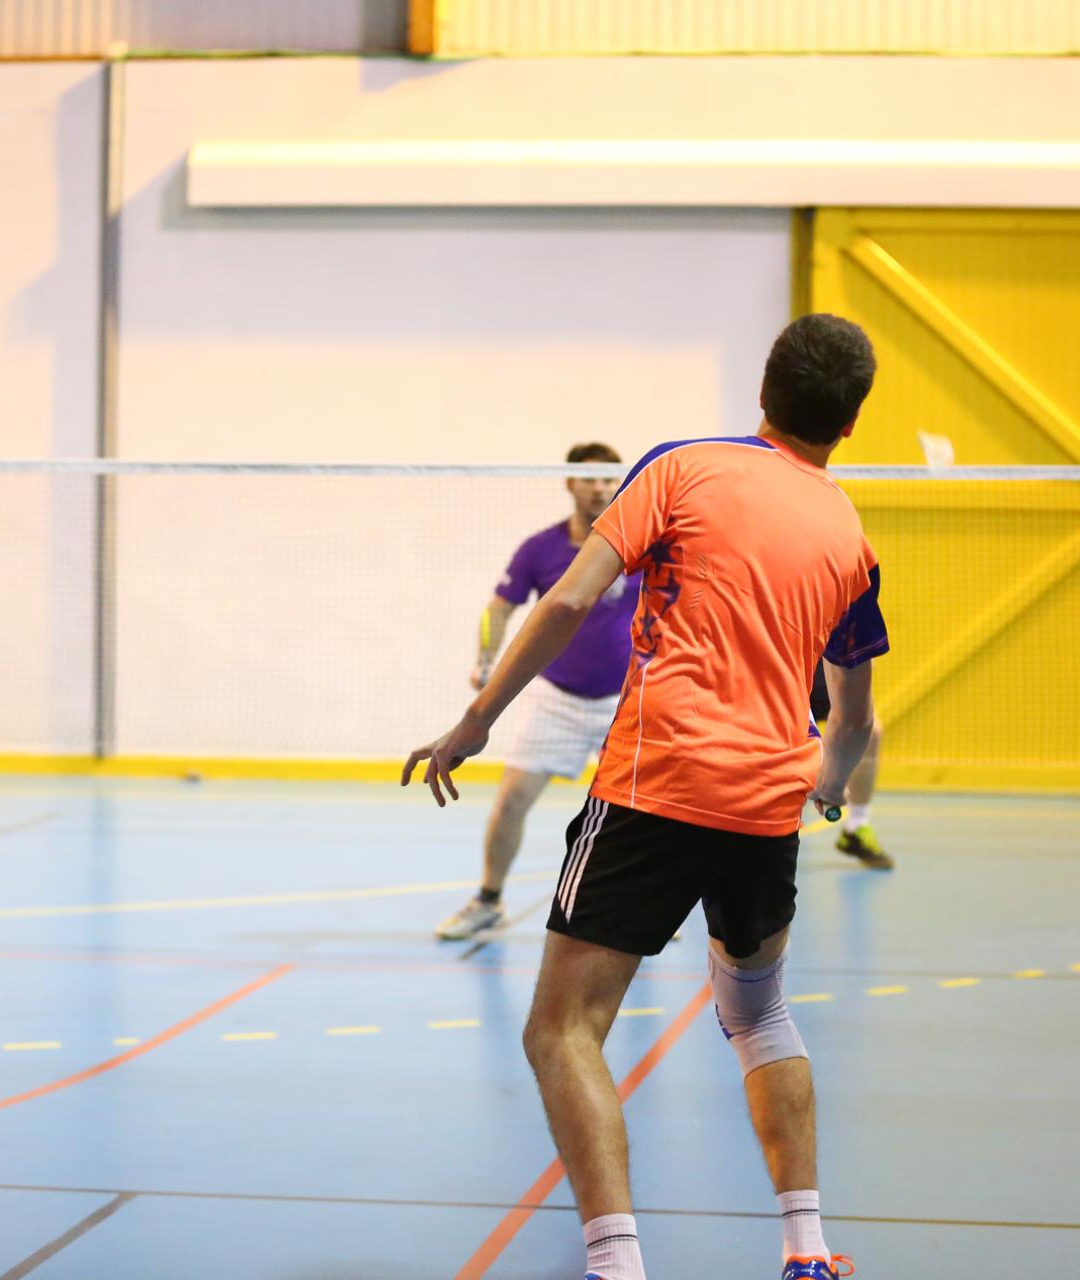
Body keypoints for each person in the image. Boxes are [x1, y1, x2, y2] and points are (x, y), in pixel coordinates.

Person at [405, 314, 886, 1280]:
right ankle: (806, 1249)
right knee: (760, 1016)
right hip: (766, 806)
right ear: (850, 422)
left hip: (653, 787)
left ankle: (617, 1264)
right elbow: (853, 720)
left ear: (763, 392)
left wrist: (478, 719)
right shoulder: (850, 537)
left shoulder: (680, 467)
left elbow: (570, 599)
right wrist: (829, 790)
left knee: (561, 1030)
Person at [435, 443, 641, 941]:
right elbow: (499, 608)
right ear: (570, 483)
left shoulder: (640, 545)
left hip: (628, 701)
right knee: (511, 802)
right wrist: (485, 660)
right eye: (589, 479)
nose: (600, 488)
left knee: (639, 814)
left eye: (608, 479)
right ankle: (489, 900)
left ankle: (641, 908)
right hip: (555, 699)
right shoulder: (540, 548)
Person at [810, 666, 891, 869]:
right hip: (790, 670)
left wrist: (834, 780)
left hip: (827, 668)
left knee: (871, 733)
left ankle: (857, 827)